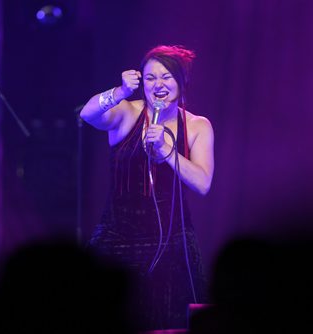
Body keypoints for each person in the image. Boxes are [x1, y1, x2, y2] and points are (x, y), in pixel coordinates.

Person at [80, 45, 214, 331]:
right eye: (150, 78)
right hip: (118, 235)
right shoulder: (128, 112)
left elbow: (203, 183)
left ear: (180, 81)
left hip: (172, 241)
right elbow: (88, 115)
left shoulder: (197, 126)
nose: (158, 84)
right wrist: (119, 92)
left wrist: (167, 150)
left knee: (170, 320)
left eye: (166, 77)